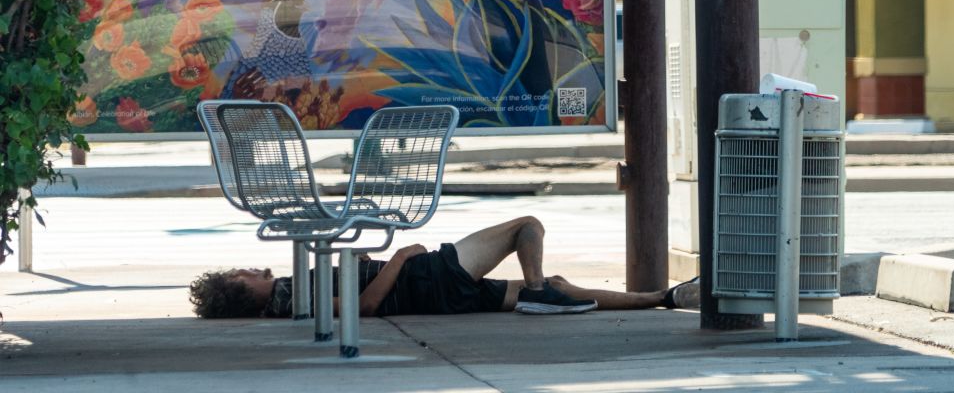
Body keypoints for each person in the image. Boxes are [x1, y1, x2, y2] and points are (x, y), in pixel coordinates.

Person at [189, 216, 700, 318]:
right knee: (528, 226)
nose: (253, 269)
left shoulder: (292, 296)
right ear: (242, 294)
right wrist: (400, 259)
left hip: (439, 298)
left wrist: (365, 263)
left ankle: (664, 298)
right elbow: (365, 307)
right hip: (428, 277)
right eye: (242, 276)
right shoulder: (291, 296)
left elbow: (358, 289)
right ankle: (540, 290)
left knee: (562, 286)